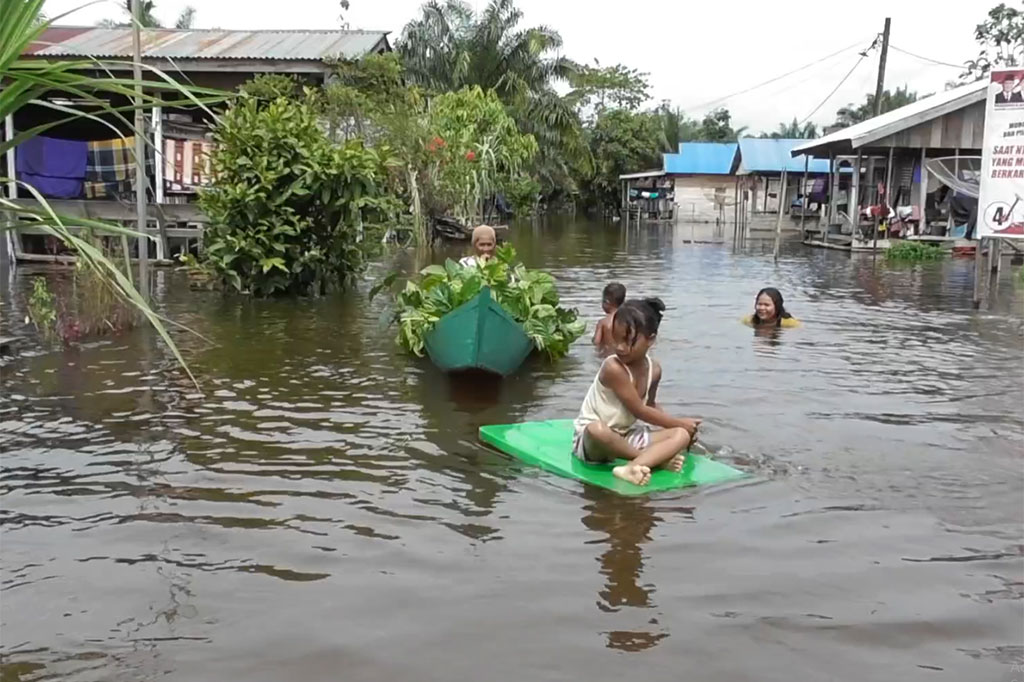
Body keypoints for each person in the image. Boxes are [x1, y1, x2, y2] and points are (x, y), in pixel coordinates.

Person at [573, 298, 702, 487]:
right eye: (616, 339)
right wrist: (680, 422)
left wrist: (683, 429)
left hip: (627, 435)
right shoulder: (613, 368)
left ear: (651, 339)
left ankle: (634, 466)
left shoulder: (654, 369)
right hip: (594, 443)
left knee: (680, 434)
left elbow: (650, 406)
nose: (620, 347)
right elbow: (639, 411)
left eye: (628, 341)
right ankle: (651, 460)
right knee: (597, 429)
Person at [592, 282, 626, 348]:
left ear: (606, 302)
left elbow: (596, 342)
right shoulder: (628, 320)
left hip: (607, 356)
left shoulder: (603, 322)